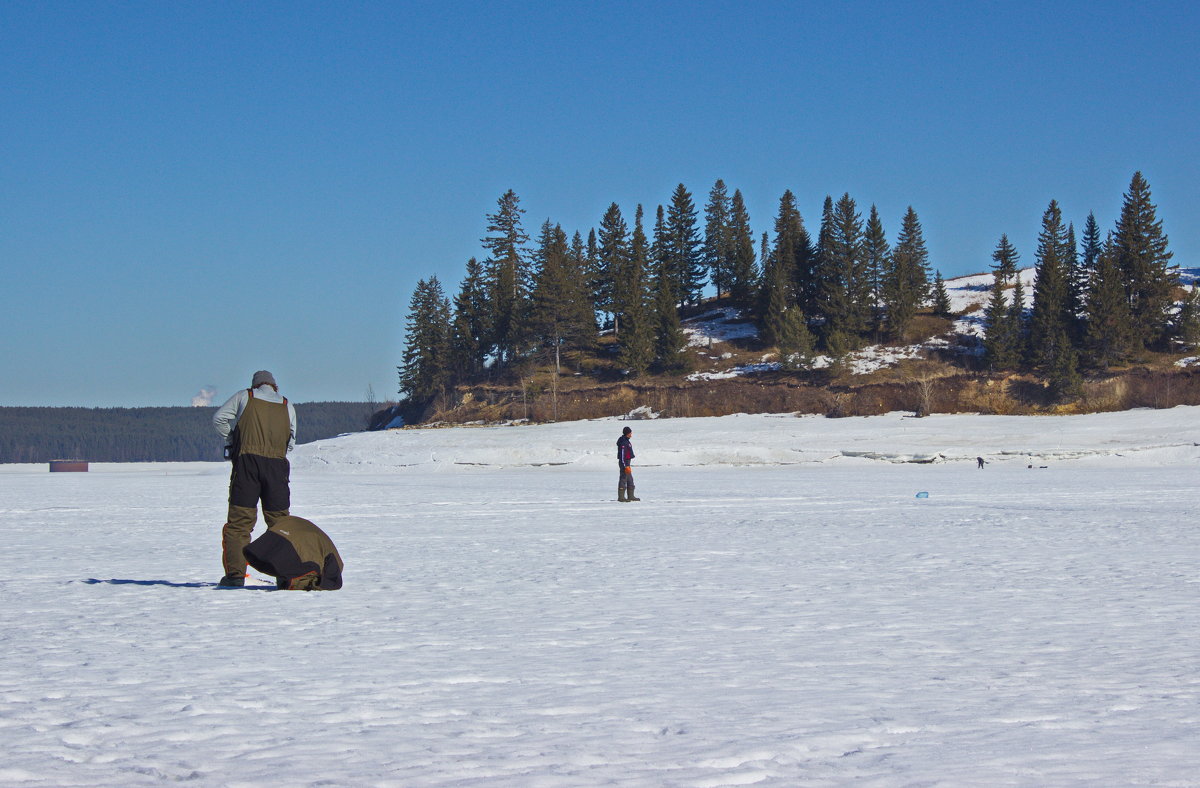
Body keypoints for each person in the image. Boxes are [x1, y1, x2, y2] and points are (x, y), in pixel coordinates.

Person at [212, 370, 297, 587]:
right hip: (277, 468)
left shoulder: (244, 396)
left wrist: (231, 439)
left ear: (255, 385)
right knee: (280, 523)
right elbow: (292, 440)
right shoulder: (287, 404)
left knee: (240, 523)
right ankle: (285, 576)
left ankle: (235, 575)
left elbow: (219, 418)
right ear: (274, 386)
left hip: (247, 465)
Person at [243, 515, 343, 590]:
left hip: (286, 530)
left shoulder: (330, 559)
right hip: (293, 536)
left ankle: (235, 576)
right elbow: (332, 582)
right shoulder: (333, 563)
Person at [617, 425, 640, 502]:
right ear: (627, 433)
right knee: (623, 478)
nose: (631, 434)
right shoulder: (623, 442)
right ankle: (621, 497)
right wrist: (625, 466)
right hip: (624, 463)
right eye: (630, 433)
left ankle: (631, 496)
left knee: (630, 479)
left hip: (627, 463)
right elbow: (622, 455)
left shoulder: (626, 440)